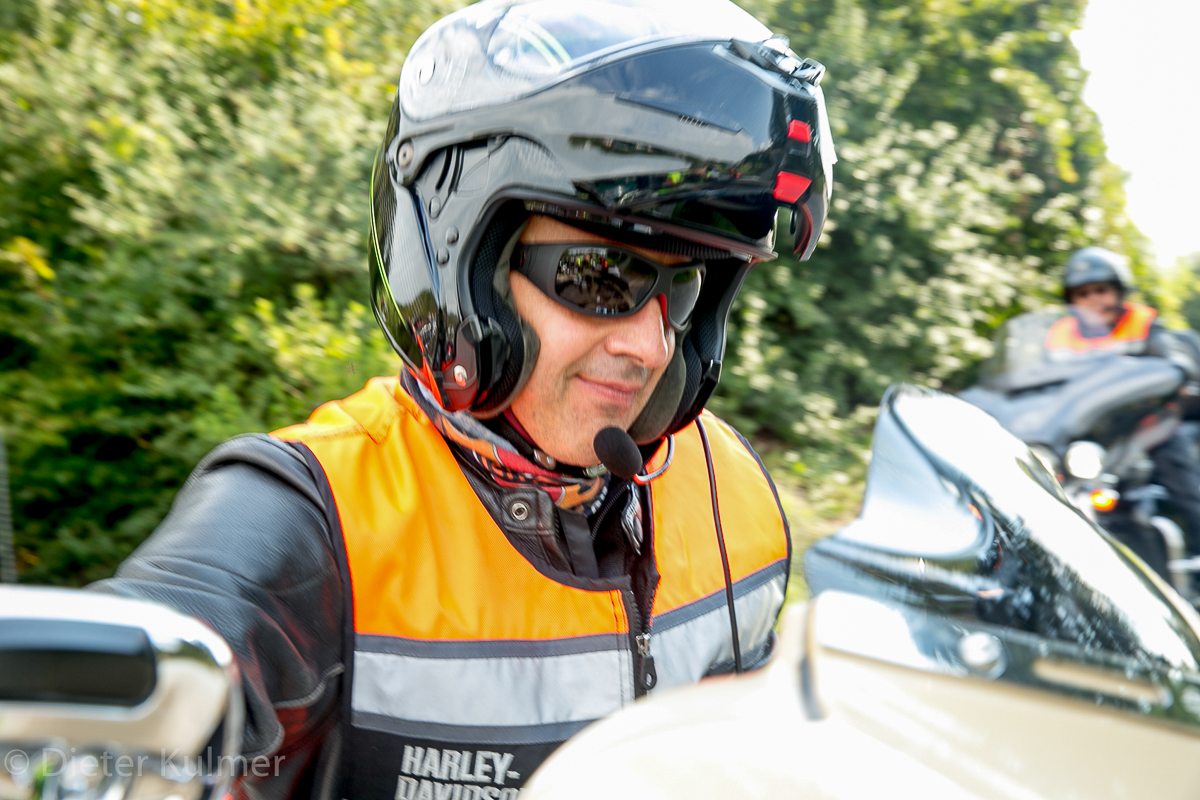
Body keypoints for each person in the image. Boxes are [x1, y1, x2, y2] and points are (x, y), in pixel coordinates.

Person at [92, 2, 837, 799]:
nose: (650, 348)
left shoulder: (734, 494)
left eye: (683, 291)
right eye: (600, 278)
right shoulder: (315, 516)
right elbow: (136, 686)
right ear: (466, 267)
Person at [1049, 246, 1200, 562]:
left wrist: (1177, 367)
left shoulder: (1143, 324)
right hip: (1084, 431)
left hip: (1146, 424)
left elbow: (1174, 363)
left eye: (1101, 290)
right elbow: (1034, 378)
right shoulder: (1061, 333)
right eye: (1082, 293)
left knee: (1175, 463)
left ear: (1119, 291)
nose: (1093, 299)